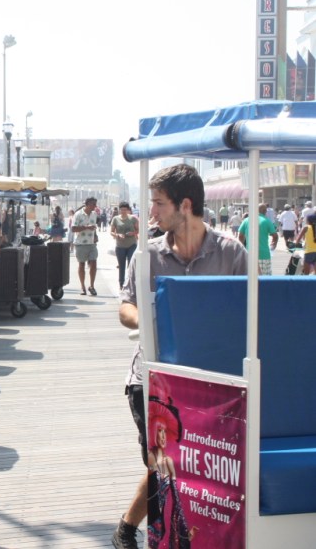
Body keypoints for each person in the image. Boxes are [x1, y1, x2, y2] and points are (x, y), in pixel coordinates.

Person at [111, 164, 247, 549]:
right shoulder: (146, 255)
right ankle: (145, 532)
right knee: (164, 462)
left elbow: (252, 308)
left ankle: (133, 526)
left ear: (184, 205)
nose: (150, 212)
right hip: (152, 378)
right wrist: (152, 323)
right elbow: (125, 309)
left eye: (158, 203)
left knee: (186, 462)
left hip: (211, 380)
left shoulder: (231, 254)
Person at [146, 374, 197, 547]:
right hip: (155, 515)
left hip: (166, 516)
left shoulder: (168, 461)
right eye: (159, 431)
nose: (162, 436)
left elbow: (176, 498)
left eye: (164, 431)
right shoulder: (151, 457)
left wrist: (184, 532)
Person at [238, 203, 279, 275]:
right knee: (264, 280)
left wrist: (242, 248)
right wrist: (274, 244)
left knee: (250, 279)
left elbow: (240, 236)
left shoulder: (247, 220)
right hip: (264, 254)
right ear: (265, 212)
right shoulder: (267, 221)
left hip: (249, 254)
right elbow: (275, 236)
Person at [72, 197, 99, 296]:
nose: (94, 206)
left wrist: (95, 235)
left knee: (94, 263)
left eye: (95, 204)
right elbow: (73, 229)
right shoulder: (78, 214)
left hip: (92, 243)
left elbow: (94, 227)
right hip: (80, 244)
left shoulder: (94, 214)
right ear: (87, 204)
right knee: (82, 264)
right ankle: (83, 287)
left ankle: (92, 286)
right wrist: (86, 227)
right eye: (93, 204)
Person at [110, 201, 139, 289]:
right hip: (120, 246)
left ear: (128, 210)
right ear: (119, 210)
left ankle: (130, 283)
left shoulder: (133, 218)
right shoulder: (115, 219)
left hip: (131, 244)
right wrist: (117, 235)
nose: (123, 211)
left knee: (131, 264)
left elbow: (138, 230)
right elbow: (111, 231)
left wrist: (133, 233)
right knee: (121, 265)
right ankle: (121, 283)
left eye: (125, 210)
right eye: (121, 210)